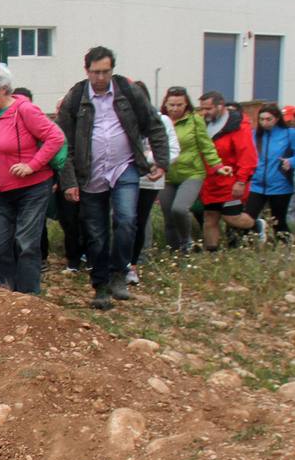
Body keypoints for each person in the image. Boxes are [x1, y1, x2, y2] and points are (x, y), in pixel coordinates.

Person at [56, 47, 169, 310]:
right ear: (87, 70)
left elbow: (153, 124)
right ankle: (100, 285)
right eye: (95, 72)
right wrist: (69, 181)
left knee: (127, 220)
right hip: (90, 172)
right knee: (95, 232)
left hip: (124, 167)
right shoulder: (76, 97)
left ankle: (120, 271)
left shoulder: (128, 92)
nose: (100, 78)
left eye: (105, 72)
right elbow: (63, 142)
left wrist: (162, 161)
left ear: (112, 70)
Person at [0, 63, 68, 294]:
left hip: (32, 189)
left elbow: (55, 138)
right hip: (1, 191)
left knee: (26, 243)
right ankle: (5, 293)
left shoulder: (25, 110)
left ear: (2, 89)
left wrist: (32, 165)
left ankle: (28, 295)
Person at [127, 82, 178, 281]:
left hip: (150, 177)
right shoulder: (123, 119)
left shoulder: (161, 120)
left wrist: (146, 158)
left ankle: (137, 260)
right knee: (123, 218)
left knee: (140, 218)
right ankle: (122, 259)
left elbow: (171, 150)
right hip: (126, 176)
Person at [198, 91, 257, 249]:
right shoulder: (205, 125)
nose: (204, 112)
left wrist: (241, 181)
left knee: (232, 217)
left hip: (231, 180)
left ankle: (257, 225)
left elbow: (247, 155)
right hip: (211, 181)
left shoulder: (237, 126)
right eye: (202, 109)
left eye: (208, 109)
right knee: (210, 217)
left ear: (220, 106)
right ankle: (212, 254)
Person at [159, 87, 213, 254]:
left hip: (191, 173)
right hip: (166, 175)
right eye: (171, 105)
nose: (175, 109)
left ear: (186, 104)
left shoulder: (195, 120)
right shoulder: (159, 121)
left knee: (179, 209)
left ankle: (186, 242)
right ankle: (175, 255)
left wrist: (217, 165)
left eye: (179, 105)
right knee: (169, 217)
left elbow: (206, 146)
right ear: (165, 104)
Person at [247, 103, 294, 239]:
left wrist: (291, 161)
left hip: (281, 185)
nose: (264, 123)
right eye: (261, 119)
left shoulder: (289, 134)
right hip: (256, 185)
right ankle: (254, 241)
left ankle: (285, 247)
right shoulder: (254, 135)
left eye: (269, 119)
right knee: (248, 218)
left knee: (278, 223)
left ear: (277, 118)